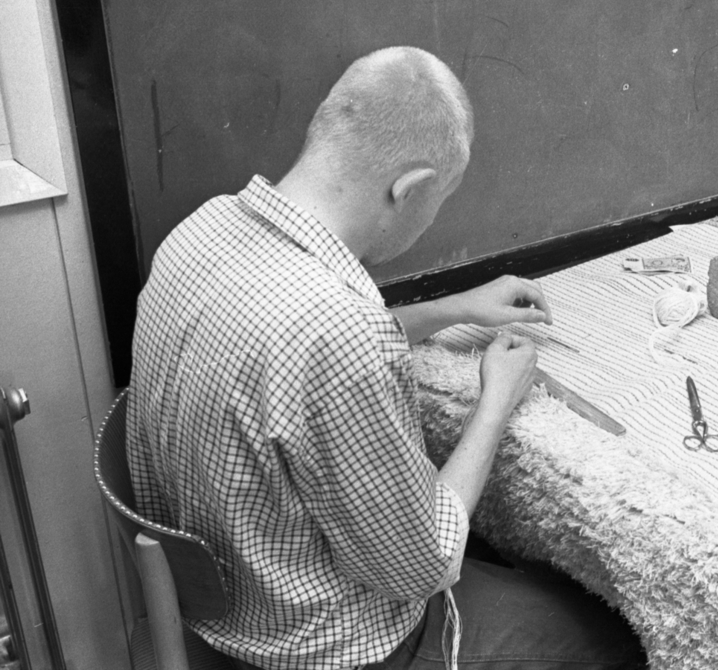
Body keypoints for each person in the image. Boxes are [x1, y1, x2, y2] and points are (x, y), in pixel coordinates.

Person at [126, 46, 644, 670]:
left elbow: (293, 358)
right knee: (619, 636)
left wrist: (455, 307)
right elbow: (429, 563)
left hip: (229, 612)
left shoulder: (202, 230)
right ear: (410, 188)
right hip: (336, 650)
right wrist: (497, 401)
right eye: (441, 198)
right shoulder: (342, 332)